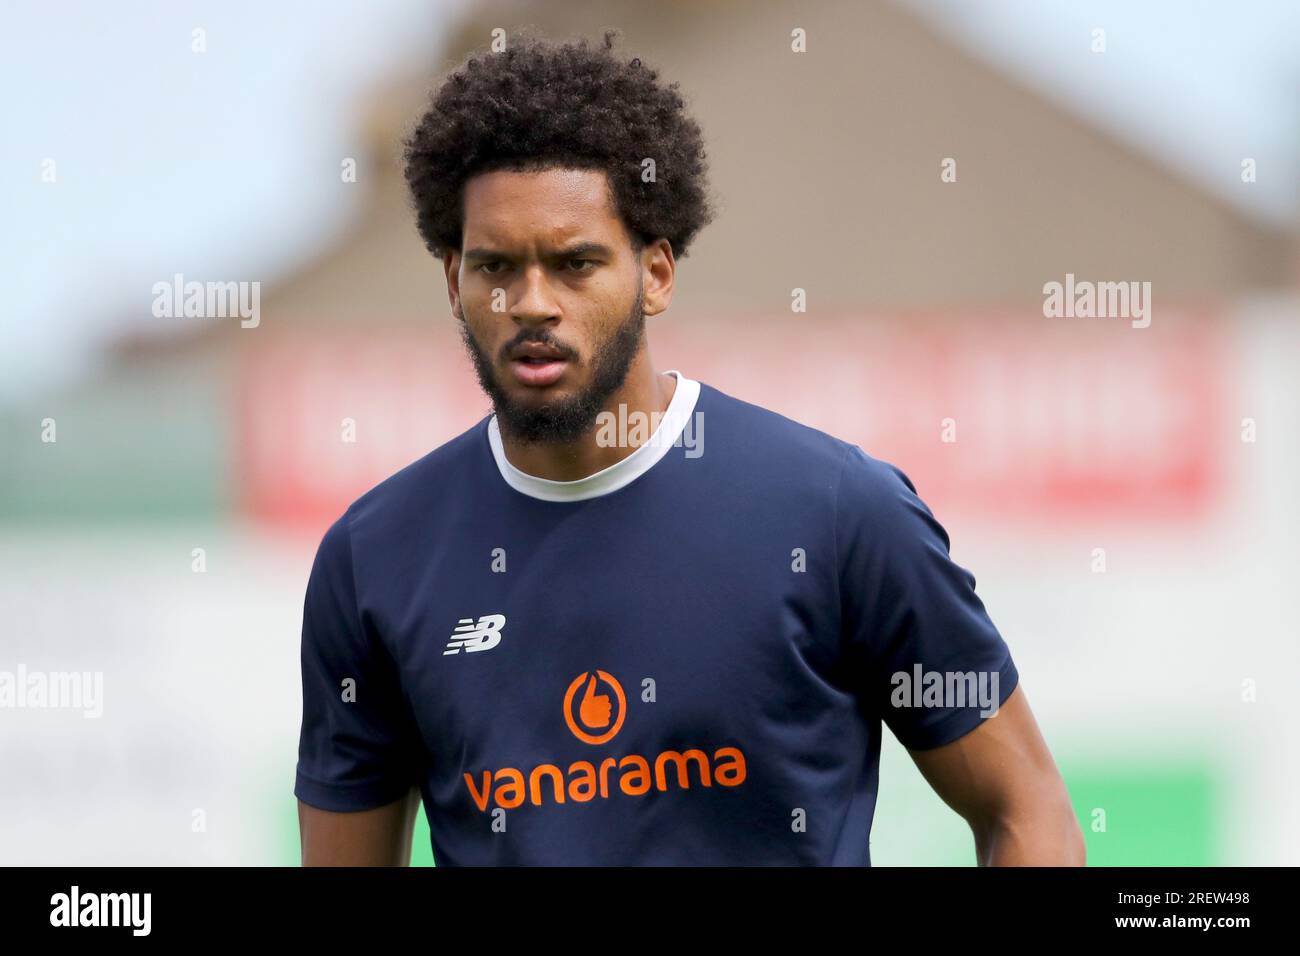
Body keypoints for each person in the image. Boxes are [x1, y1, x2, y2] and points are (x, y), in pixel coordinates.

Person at [294, 31, 1084, 866]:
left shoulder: (837, 513)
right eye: (496, 267)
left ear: (657, 273)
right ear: (454, 280)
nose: (531, 302)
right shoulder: (374, 559)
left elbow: (1026, 810)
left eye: (574, 264)